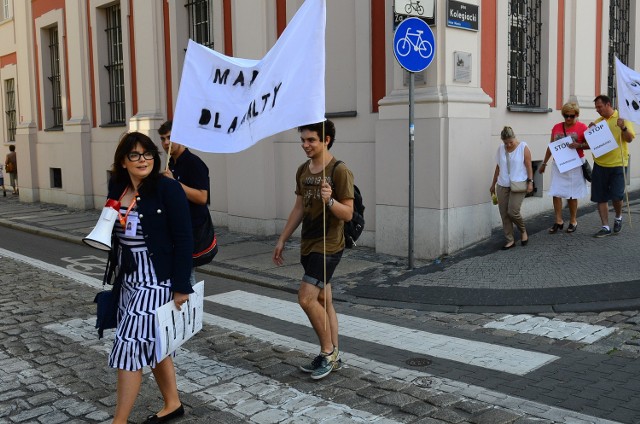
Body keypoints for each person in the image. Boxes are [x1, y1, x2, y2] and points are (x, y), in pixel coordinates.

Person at [106, 132, 193, 424]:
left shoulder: (167, 188)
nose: (142, 160)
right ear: (123, 160)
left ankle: (119, 421)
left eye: (147, 154)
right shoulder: (117, 187)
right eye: (135, 155)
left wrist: (181, 286)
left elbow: (183, 238)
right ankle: (172, 403)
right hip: (129, 277)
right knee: (155, 342)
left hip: (156, 279)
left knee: (129, 343)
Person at [272, 119, 354, 380]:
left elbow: (348, 214)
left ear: (326, 140)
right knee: (323, 300)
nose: (305, 145)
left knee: (306, 298)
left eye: (311, 140)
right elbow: (298, 208)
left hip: (329, 245)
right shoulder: (303, 170)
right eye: (303, 140)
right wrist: (283, 238)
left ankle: (327, 352)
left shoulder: (339, 171)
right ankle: (334, 355)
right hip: (308, 243)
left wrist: (329, 200)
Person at [159, 120, 210, 284]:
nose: (166, 143)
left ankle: (191, 308)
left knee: (186, 274)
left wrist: (174, 183)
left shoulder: (193, 163)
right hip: (174, 227)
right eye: (162, 139)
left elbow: (203, 198)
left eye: (170, 138)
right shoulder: (171, 163)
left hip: (192, 228)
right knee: (178, 271)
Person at [539, 102, 589, 233]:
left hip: (574, 164)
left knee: (572, 195)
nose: (568, 119)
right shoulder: (556, 127)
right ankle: (559, 220)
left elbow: (590, 144)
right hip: (559, 164)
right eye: (565, 115)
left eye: (571, 116)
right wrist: (544, 163)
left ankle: (573, 220)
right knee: (556, 192)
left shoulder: (582, 127)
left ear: (576, 115)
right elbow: (551, 146)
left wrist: (578, 145)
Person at [590, 95, 635, 237]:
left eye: (600, 107)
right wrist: (590, 132)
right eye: (596, 107)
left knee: (616, 196)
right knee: (600, 197)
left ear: (608, 104)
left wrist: (623, 127)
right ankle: (605, 226)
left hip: (618, 164)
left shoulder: (622, 119)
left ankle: (618, 217)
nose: (597, 110)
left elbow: (629, 139)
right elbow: (592, 144)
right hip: (600, 164)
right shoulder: (598, 122)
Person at [489, 126, 534, 249]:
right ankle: (510, 239)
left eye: (510, 142)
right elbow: (498, 167)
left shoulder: (523, 147)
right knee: (504, 214)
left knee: (513, 212)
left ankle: (523, 230)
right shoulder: (500, 149)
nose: (508, 145)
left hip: (518, 184)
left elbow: (529, 166)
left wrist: (530, 182)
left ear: (515, 138)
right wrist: (493, 184)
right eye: (505, 143)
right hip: (502, 184)